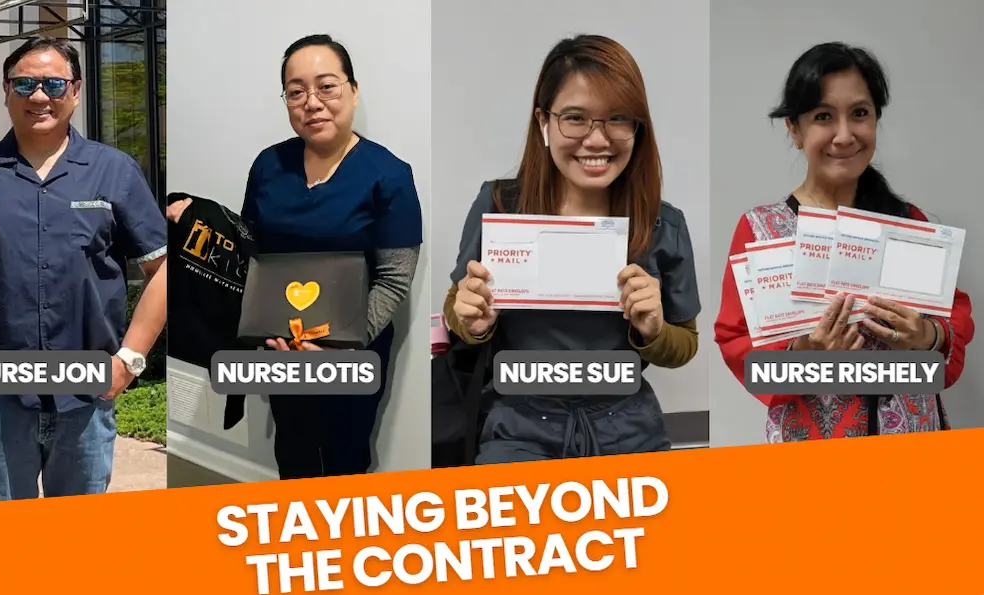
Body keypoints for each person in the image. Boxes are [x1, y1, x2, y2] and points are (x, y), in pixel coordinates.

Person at [0, 36, 168, 501]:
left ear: (77, 90)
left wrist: (128, 363)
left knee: (77, 550)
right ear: (6, 90)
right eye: (24, 83)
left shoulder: (114, 171)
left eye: (53, 83)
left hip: (86, 396)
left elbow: (164, 270)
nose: (40, 96)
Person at [167, 34, 422, 479]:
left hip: (352, 351)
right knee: (294, 449)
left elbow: (394, 279)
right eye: (296, 91)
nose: (312, 102)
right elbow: (248, 250)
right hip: (280, 345)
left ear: (354, 90)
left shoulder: (390, 175)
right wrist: (195, 215)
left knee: (346, 456)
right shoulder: (269, 165)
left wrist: (342, 341)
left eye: (327, 86)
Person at [444, 34, 701, 464]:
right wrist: (472, 318)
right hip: (518, 425)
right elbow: (458, 309)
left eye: (618, 119)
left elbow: (685, 344)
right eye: (576, 118)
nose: (597, 140)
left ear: (638, 128)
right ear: (544, 121)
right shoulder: (500, 204)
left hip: (628, 425)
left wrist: (652, 330)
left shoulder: (663, 223)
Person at [714, 42, 975, 441]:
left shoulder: (909, 222)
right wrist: (805, 356)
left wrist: (929, 335)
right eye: (823, 116)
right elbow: (738, 345)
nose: (843, 134)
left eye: (859, 114)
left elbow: (953, 318)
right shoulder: (762, 230)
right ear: (795, 129)